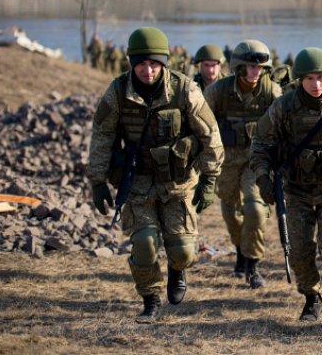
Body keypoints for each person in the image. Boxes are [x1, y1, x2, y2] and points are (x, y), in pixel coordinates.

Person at [87, 27, 223, 323]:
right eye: (141, 64)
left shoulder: (185, 89)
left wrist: (209, 179)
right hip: (138, 183)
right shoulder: (118, 91)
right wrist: (97, 181)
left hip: (179, 183)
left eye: (154, 64)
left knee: (183, 250)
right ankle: (150, 299)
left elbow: (210, 134)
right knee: (145, 245)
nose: (147, 71)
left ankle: (177, 269)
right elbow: (102, 135)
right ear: (131, 63)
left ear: (164, 63)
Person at [250, 48, 322, 321]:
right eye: (309, 78)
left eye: (321, 78)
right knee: (299, 248)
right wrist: (262, 178)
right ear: (299, 79)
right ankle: (311, 297)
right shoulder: (284, 107)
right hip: (296, 190)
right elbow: (260, 143)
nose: (316, 84)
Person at [203, 40, 282, 286]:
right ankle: (240, 248)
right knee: (231, 214)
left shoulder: (272, 92)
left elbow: (284, 128)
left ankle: (252, 265)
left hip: (255, 162)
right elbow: (200, 124)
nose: (255, 72)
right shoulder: (217, 91)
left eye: (259, 68)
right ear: (238, 67)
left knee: (256, 210)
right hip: (225, 162)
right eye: (250, 67)